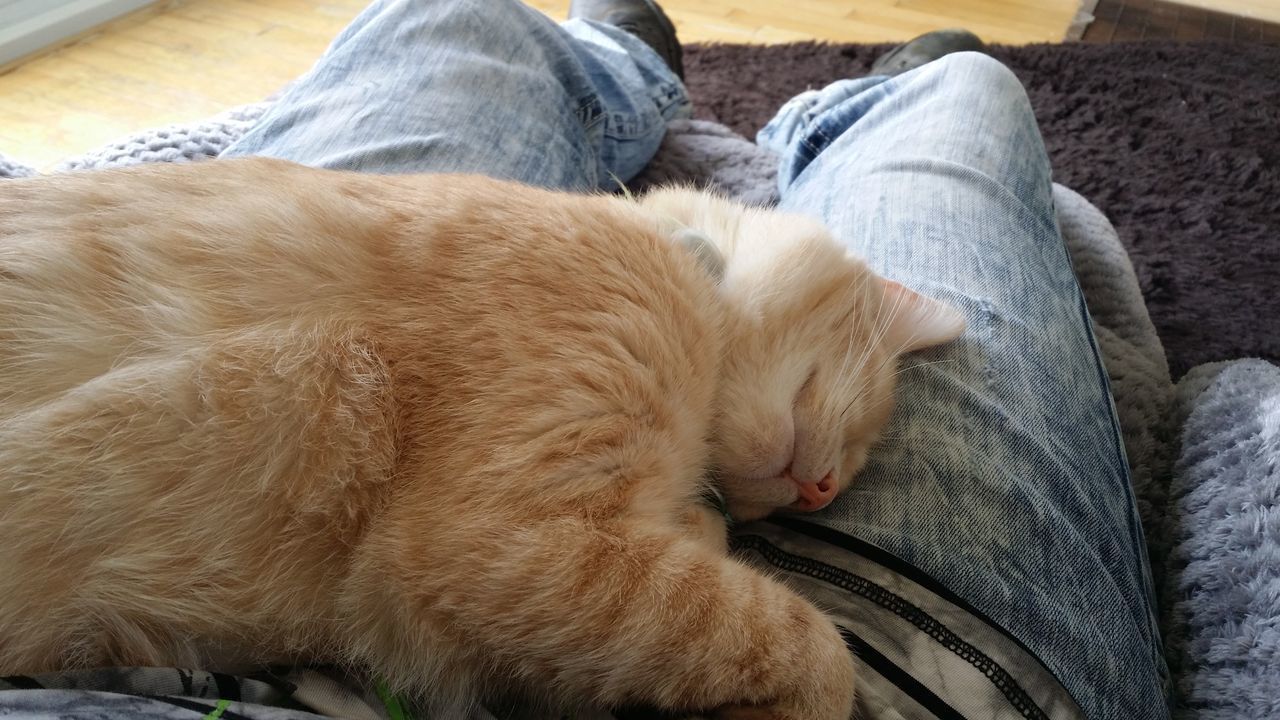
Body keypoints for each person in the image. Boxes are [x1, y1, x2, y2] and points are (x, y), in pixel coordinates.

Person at [219, 1, 1169, 718]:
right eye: (856, 445)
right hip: (923, 654)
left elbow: (473, 557)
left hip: (262, 585)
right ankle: (876, 106)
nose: (827, 486)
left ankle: (620, 69)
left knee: (450, 20)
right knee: (965, 100)